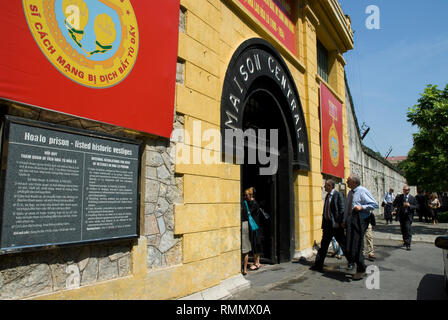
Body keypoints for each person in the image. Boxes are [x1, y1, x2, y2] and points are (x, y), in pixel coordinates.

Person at [343, 174, 378, 280]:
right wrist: (345, 220)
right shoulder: (350, 193)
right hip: (350, 221)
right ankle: (357, 264)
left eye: (348, 181)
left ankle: (360, 269)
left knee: (357, 244)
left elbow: (374, 204)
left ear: (354, 182)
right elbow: (347, 208)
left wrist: (361, 207)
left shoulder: (362, 191)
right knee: (349, 244)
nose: (347, 182)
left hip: (360, 221)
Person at [310, 179, 346, 272]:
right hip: (327, 225)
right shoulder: (327, 196)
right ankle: (318, 265)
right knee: (324, 246)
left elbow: (342, 210)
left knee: (343, 244)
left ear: (330, 186)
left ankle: (352, 262)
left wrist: (339, 222)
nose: (324, 187)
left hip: (336, 225)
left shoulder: (338, 195)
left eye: (326, 185)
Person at [241, 187, 263, 272]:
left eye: (246, 195)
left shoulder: (253, 203)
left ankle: (257, 263)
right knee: (255, 243)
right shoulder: (250, 202)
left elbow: (247, 213)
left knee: (255, 244)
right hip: (253, 226)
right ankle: (257, 262)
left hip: (255, 227)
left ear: (250, 195)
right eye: (244, 195)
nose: (245, 196)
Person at [393, 185, 417, 251]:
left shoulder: (412, 198)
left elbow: (416, 206)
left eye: (406, 190)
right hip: (401, 216)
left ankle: (408, 244)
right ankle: (405, 241)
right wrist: (395, 207)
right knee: (403, 229)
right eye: (404, 189)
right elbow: (394, 204)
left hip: (408, 216)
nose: (405, 191)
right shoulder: (399, 197)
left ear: (408, 190)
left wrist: (410, 205)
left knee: (408, 229)